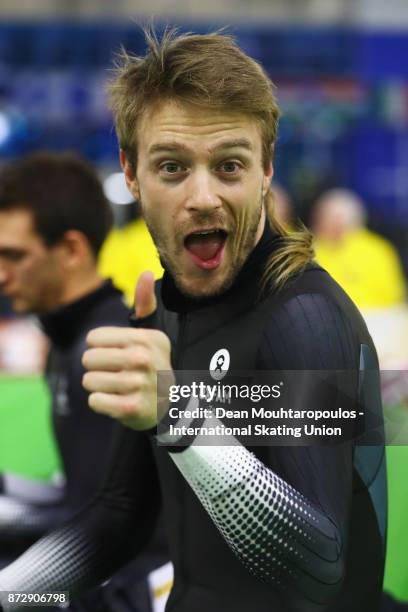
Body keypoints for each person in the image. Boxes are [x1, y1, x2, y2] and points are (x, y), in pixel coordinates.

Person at [0, 29, 386, 612]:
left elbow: (321, 572)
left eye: (229, 165)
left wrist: (179, 415)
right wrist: (14, 596)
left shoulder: (303, 316)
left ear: (266, 168)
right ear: (131, 174)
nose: (203, 196)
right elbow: (120, 518)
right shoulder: (161, 313)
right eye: (173, 167)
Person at [0, 153, 168, 611]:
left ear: (72, 250)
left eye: (13, 256)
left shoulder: (108, 347)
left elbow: (109, 529)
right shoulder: (65, 342)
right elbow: (81, 498)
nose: (0, 274)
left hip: (139, 585)